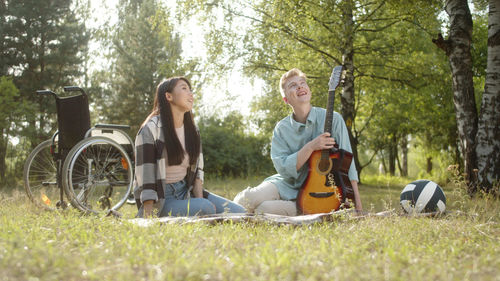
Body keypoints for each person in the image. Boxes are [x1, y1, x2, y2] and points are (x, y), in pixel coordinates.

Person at [234, 68, 362, 215]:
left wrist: (357, 205)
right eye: (293, 85)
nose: (300, 86)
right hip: (286, 184)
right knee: (245, 199)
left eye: (302, 83)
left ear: (309, 90)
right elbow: (283, 168)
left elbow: (348, 165)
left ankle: (303, 208)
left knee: (264, 209)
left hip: (317, 190)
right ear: (286, 99)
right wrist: (311, 147)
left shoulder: (334, 119)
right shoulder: (281, 128)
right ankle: (226, 219)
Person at [133, 76, 246, 217]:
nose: (190, 94)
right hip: (161, 198)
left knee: (240, 213)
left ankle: (200, 208)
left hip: (185, 191)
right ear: (168, 96)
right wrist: (148, 215)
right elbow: (146, 176)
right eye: (184, 88)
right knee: (206, 208)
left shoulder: (193, 130)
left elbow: (197, 171)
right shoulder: (151, 129)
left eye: (190, 90)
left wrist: (199, 200)